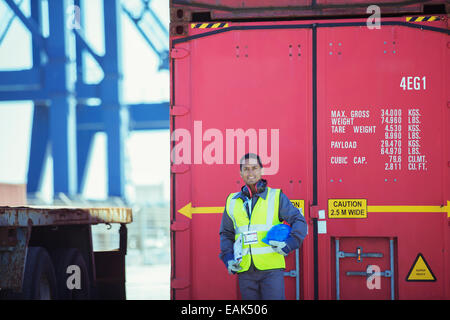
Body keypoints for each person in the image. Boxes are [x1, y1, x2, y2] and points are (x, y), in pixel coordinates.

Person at [219, 153, 308, 300]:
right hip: (245, 270)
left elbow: (299, 220)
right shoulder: (232, 201)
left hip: (271, 270)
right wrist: (228, 258)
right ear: (240, 173)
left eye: (254, 168)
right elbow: (226, 233)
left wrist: (289, 244)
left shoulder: (276, 196)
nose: (250, 172)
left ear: (261, 171)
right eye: (246, 169)